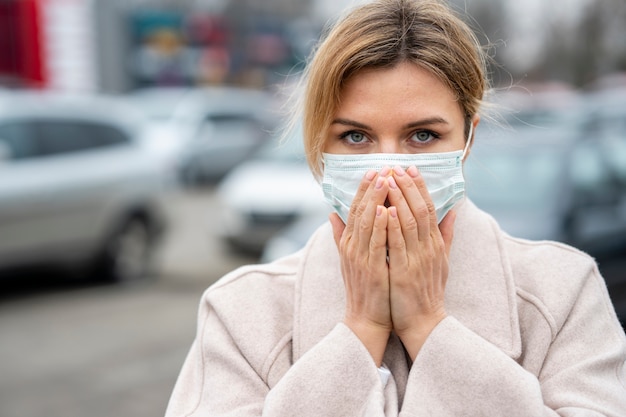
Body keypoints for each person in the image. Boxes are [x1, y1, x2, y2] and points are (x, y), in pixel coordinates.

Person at [165, 0, 626, 415]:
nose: (388, 173)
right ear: (318, 144)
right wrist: (361, 329)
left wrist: (428, 324)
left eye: (422, 136)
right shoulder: (243, 310)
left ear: (467, 138)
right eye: (355, 137)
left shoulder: (562, 291)